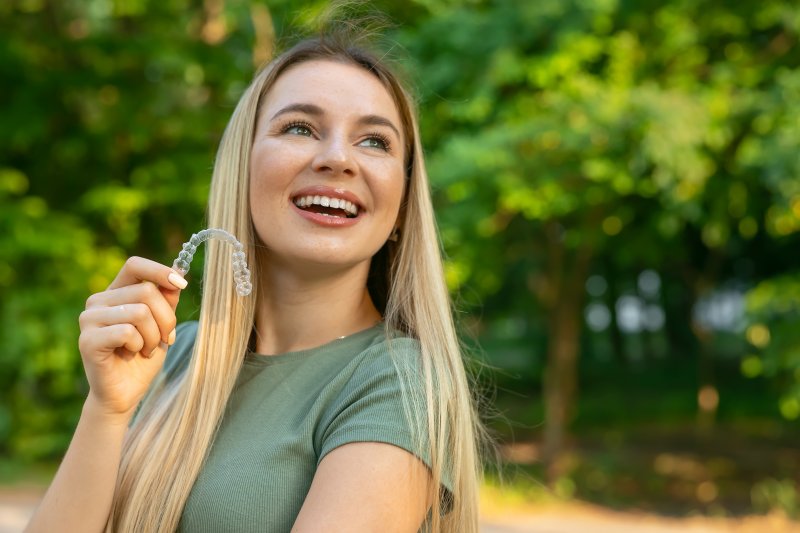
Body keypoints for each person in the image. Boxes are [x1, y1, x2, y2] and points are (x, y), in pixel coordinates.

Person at [26, 28, 483, 533]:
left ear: (401, 204)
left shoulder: (396, 382)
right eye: (300, 128)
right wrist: (106, 408)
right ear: (240, 168)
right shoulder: (171, 352)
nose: (338, 158)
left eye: (374, 141)